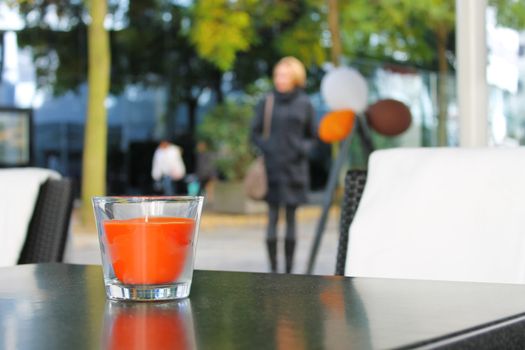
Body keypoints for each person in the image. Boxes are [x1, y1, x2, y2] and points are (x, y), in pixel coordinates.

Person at [250, 57, 317, 273]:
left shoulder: (305, 103)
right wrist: (267, 147)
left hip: (295, 169)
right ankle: (273, 269)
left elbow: (313, 136)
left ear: (296, 77)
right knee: (271, 219)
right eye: (277, 75)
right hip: (272, 169)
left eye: (284, 75)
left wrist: (301, 149)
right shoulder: (267, 101)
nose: (280, 79)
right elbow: (254, 133)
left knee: (291, 219)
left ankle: (288, 271)